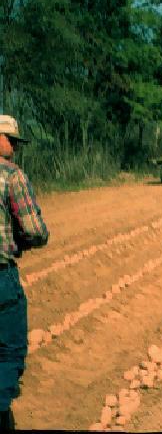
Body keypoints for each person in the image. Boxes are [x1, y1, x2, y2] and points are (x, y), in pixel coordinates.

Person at [0, 115, 48, 431]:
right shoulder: (11, 175)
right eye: (11, 140)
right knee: (9, 351)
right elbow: (35, 231)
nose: (15, 147)